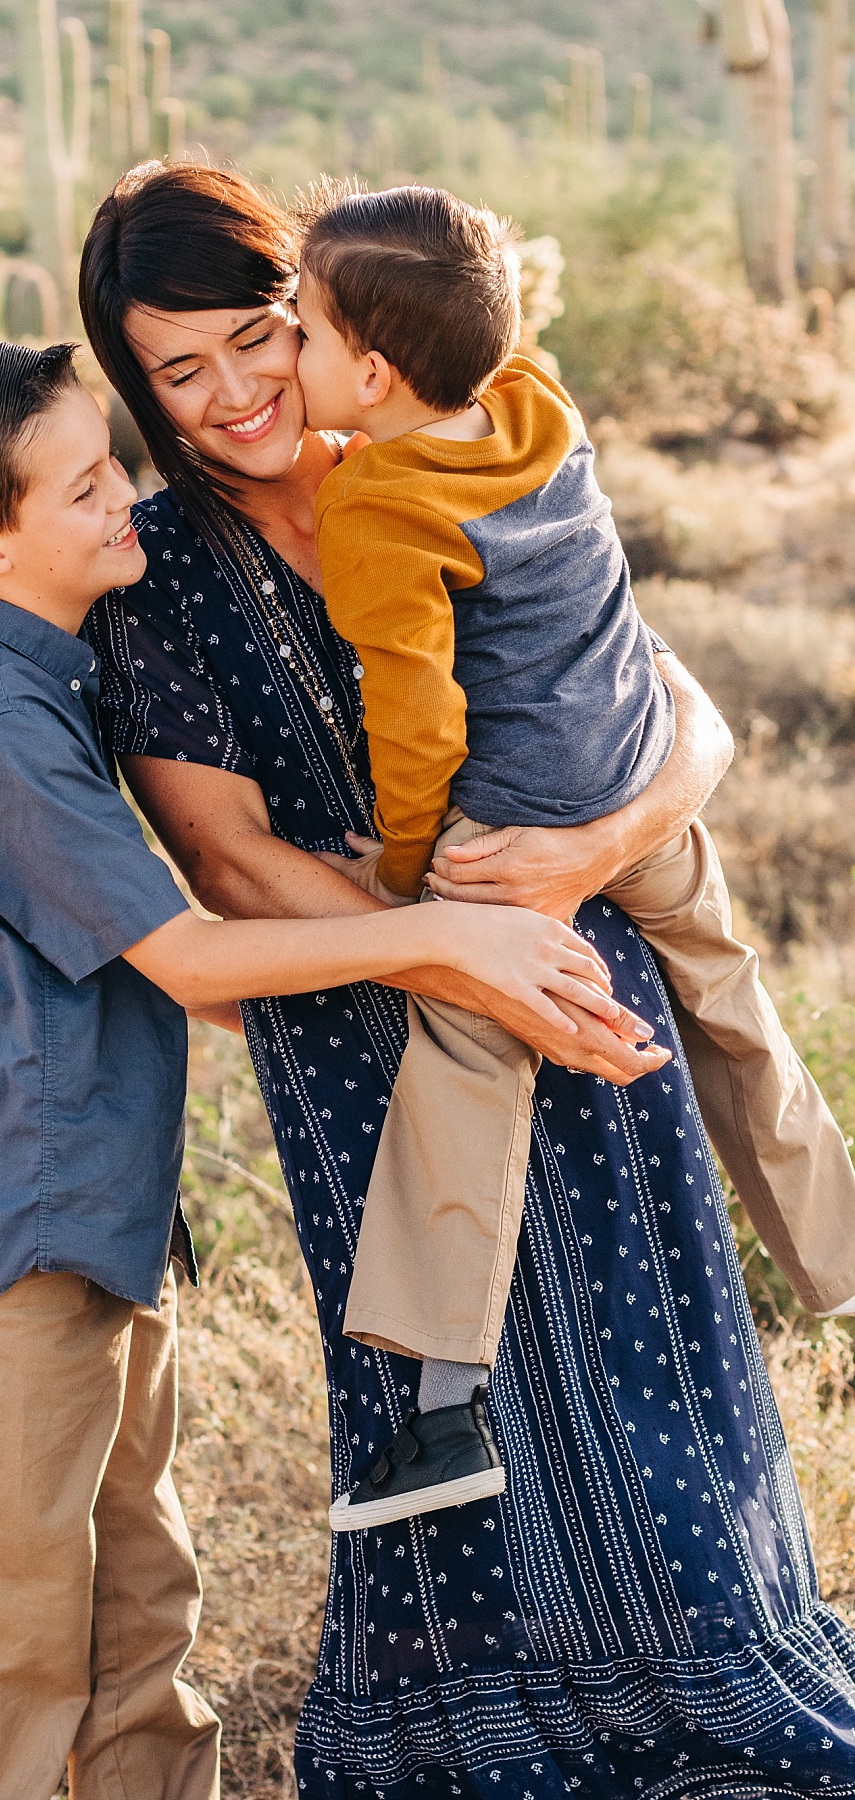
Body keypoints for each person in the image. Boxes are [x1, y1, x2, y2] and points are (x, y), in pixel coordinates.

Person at [79, 159, 855, 1798]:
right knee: (457, 1418)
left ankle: (713, 1683)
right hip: (371, 1048)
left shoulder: (476, 444)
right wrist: (460, 939)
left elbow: (669, 712)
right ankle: (470, 1750)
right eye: (177, 371)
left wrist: (578, 869)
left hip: (585, 983)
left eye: (257, 337)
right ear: (138, 389)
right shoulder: (152, 577)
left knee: (654, 1380)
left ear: (332, 321)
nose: (230, 396)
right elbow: (223, 861)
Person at [0, 337, 624, 1800]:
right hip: (15, 1233)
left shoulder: (58, 682)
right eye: (86, 488)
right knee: (9, 1642)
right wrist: (442, 942)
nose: (124, 506)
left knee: (140, 1617)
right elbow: (191, 958)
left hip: (101, 1217)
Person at [290, 179, 855, 1528]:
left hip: (519, 817)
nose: (286, 352)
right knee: (734, 1001)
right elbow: (476, 316)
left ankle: (441, 1415)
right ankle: (839, 1256)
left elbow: (414, 719)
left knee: (468, 1062)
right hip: (641, 773)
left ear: (368, 372)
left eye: (299, 332)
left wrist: (414, 872)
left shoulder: (376, 508)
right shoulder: (539, 399)